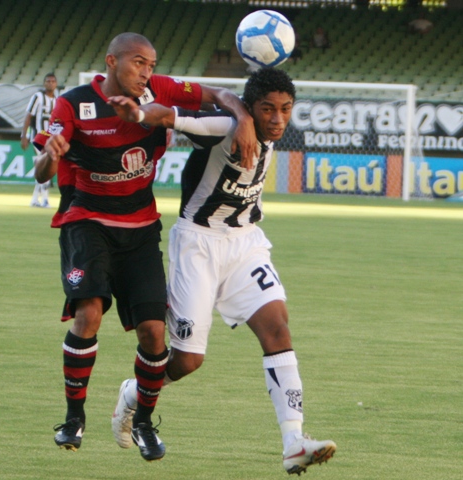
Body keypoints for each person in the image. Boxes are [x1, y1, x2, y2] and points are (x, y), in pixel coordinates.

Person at [32, 32, 256, 462]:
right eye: (138, 63)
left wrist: (243, 118)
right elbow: (42, 172)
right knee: (88, 312)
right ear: (111, 61)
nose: (146, 72)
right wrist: (53, 156)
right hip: (87, 221)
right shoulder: (75, 103)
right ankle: (74, 416)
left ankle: (142, 422)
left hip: (140, 227)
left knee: (155, 335)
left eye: (151, 64)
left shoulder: (161, 90)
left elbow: (222, 93)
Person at [108, 67, 337, 475]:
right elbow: (172, 116)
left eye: (285, 109)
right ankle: (132, 393)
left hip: (245, 243)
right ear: (251, 108)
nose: (278, 119)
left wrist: (250, 115)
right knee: (187, 362)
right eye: (268, 109)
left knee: (278, 328)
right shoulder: (225, 127)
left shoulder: (264, 132)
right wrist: (140, 115)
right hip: (198, 244)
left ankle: (293, 442)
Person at [21, 73, 58, 208]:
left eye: (53, 81)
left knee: (43, 168)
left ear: (56, 84)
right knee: (44, 166)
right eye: (48, 81)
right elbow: (28, 116)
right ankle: (45, 200)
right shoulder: (38, 97)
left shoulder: (57, 100)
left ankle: (35, 199)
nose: (50, 83)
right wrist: (23, 136)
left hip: (50, 139)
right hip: (38, 138)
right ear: (44, 83)